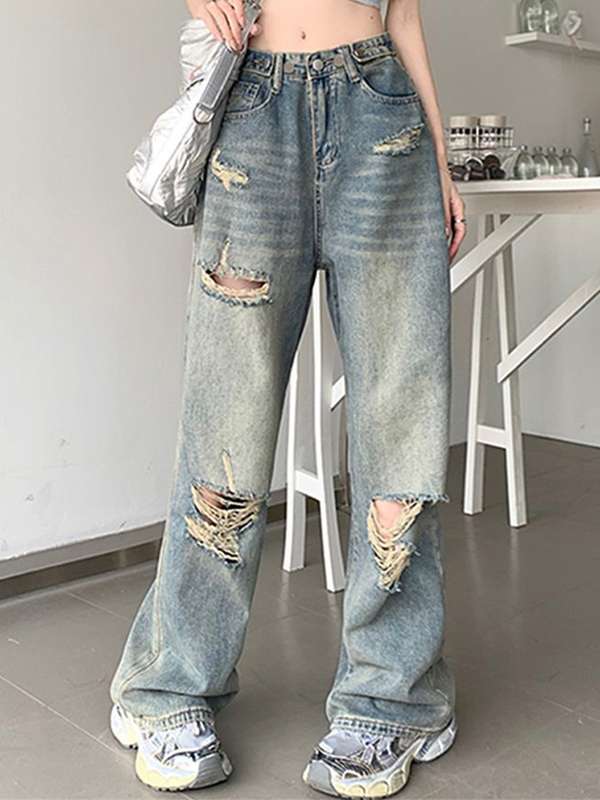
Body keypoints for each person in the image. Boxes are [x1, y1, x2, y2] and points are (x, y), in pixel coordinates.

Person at [108, 0, 466, 795]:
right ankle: (169, 684)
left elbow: (405, 16)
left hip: (384, 118)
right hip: (253, 114)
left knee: (401, 426)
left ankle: (393, 698)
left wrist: (440, 160)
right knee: (225, 425)